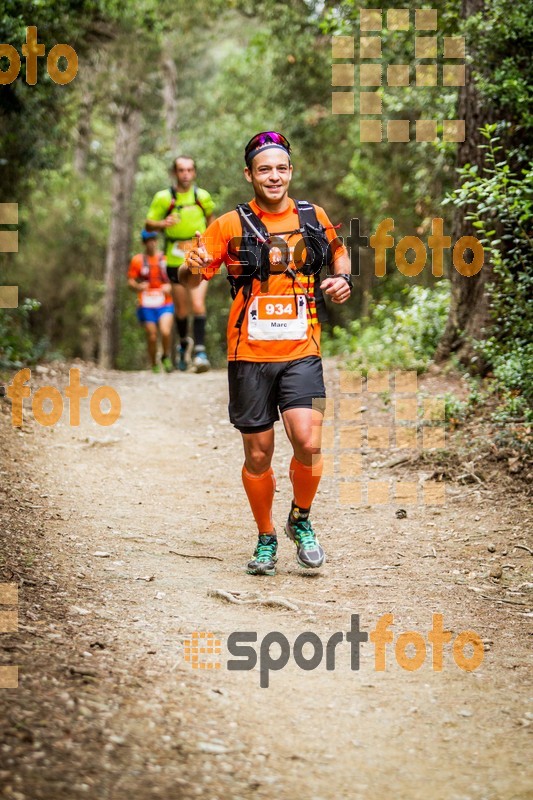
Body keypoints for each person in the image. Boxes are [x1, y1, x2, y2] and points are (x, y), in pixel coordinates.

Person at [179, 131, 353, 575]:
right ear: (250, 175)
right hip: (248, 356)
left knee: (309, 442)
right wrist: (191, 265)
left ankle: (301, 518)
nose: (273, 176)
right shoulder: (230, 225)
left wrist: (342, 280)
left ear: (290, 171)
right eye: (264, 169)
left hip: (303, 351)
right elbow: (191, 279)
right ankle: (266, 537)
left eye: (280, 168)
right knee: (258, 456)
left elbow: (340, 254)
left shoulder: (314, 216)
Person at [145, 156, 215, 372]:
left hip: (199, 255)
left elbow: (212, 220)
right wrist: (162, 223)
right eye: (181, 170)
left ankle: (200, 352)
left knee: (198, 304)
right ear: (174, 173)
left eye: (189, 170)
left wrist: (211, 246)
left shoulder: (202, 196)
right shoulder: (164, 198)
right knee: (182, 309)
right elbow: (149, 224)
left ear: (194, 173)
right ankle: (184, 343)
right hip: (174, 258)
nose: (185, 174)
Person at [128, 230, 174, 373]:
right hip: (146, 303)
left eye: (154, 239)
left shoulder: (165, 259)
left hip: (165, 302)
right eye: (149, 240)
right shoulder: (137, 260)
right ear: (144, 243)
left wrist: (170, 286)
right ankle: (154, 362)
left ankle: (166, 356)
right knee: (152, 335)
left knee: (165, 331)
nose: (152, 242)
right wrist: (138, 286)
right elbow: (130, 281)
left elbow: (175, 278)